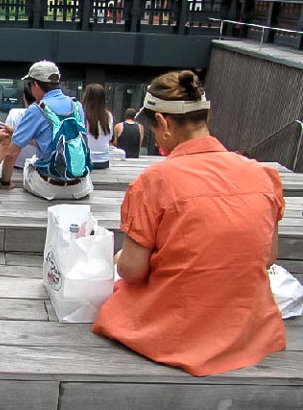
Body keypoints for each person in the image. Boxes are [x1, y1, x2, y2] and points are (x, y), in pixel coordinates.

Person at [92, 70, 286, 376]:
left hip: (179, 328)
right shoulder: (263, 175)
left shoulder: (154, 182)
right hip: (247, 326)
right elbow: (269, 256)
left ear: (165, 123)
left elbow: (132, 271)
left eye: (153, 127)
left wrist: (120, 257)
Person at [0, 61, 93, 200]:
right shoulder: (76, 105)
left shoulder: (37, 109)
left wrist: (5, 182)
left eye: (30, 84)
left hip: (49, 189)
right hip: (80, 188)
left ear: (35, 85)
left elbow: (12, 153)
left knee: (30, 163)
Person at [0, 84, 38, 172]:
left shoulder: (15, 114)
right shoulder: (52, 118)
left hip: (16, 166)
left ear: (24, 97)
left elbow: (5, 144)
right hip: (39, 168)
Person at [81, 83, 113, 170]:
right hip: (104, 161)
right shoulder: (108, 115)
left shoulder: (81, 114)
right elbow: (109, 137)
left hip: (84, 161)